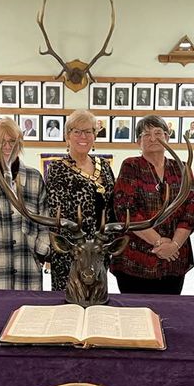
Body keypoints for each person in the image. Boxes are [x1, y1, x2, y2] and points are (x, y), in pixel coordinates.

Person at [110, 114, 194, 295]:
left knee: (167, 316)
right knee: (135, 316)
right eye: (145, 134)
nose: (152, 138)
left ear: (167, 137)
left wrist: (174, 245)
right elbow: (125, 210)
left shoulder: (182, 169)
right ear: (137, 142)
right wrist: (159, 242)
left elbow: (190, 209)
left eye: (158, 133)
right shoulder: (130, 166)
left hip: (174, 259)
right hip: (135, 263)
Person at [46, 109, 115, 291]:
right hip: (72, 252)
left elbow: (112, 208)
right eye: (76, 131)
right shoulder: (57, 168)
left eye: (88, 131)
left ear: (95, 135)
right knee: (70, 300)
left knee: (97, 297)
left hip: (99, 250)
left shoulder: (105, 167)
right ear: (67, 136)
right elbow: (56, 214)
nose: (82, 136)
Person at [0, 118, 50, 290]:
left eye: (12, 141)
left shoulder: (34, 177)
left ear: (20, 142)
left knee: (28, 313)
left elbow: (44, 219)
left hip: (27, 265)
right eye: (0, 141)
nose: (7, 147)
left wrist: (40, 252)